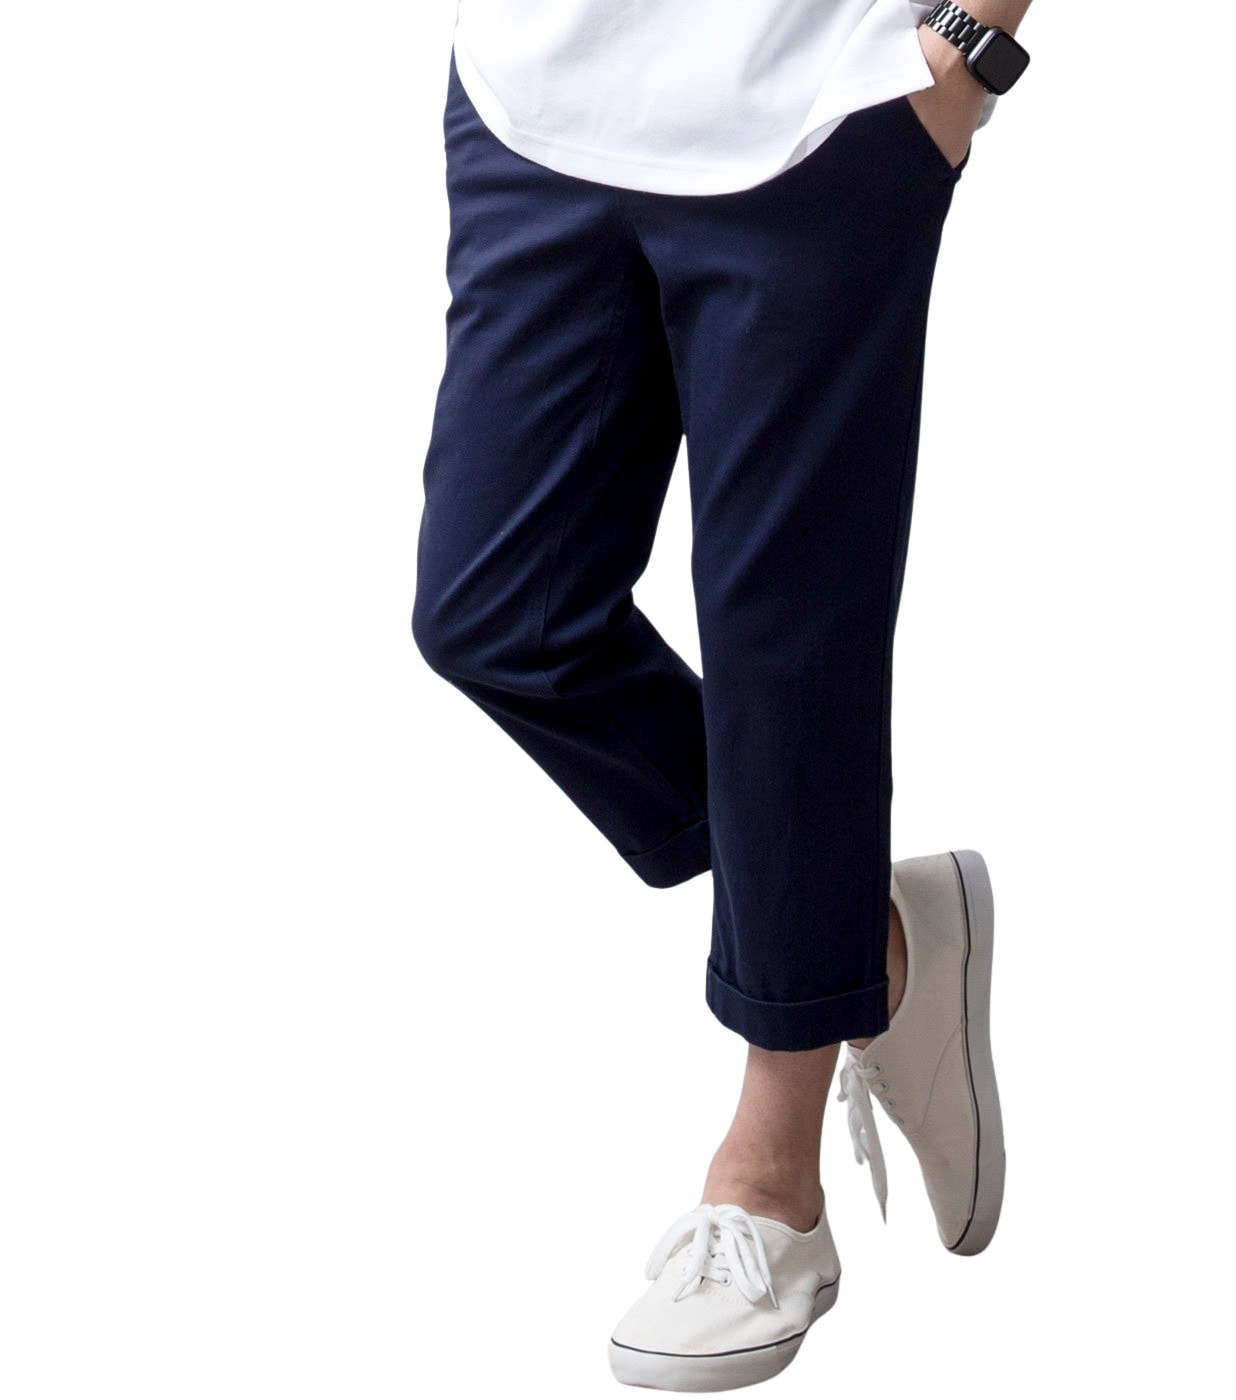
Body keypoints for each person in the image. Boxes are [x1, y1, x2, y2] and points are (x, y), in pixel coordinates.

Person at [412, 1, 1034, 1389]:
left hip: (819, 109)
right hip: (533, 101)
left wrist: (968, 49)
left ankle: (772, 1187)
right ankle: (869, 946)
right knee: (496, 617)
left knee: (786, 653)